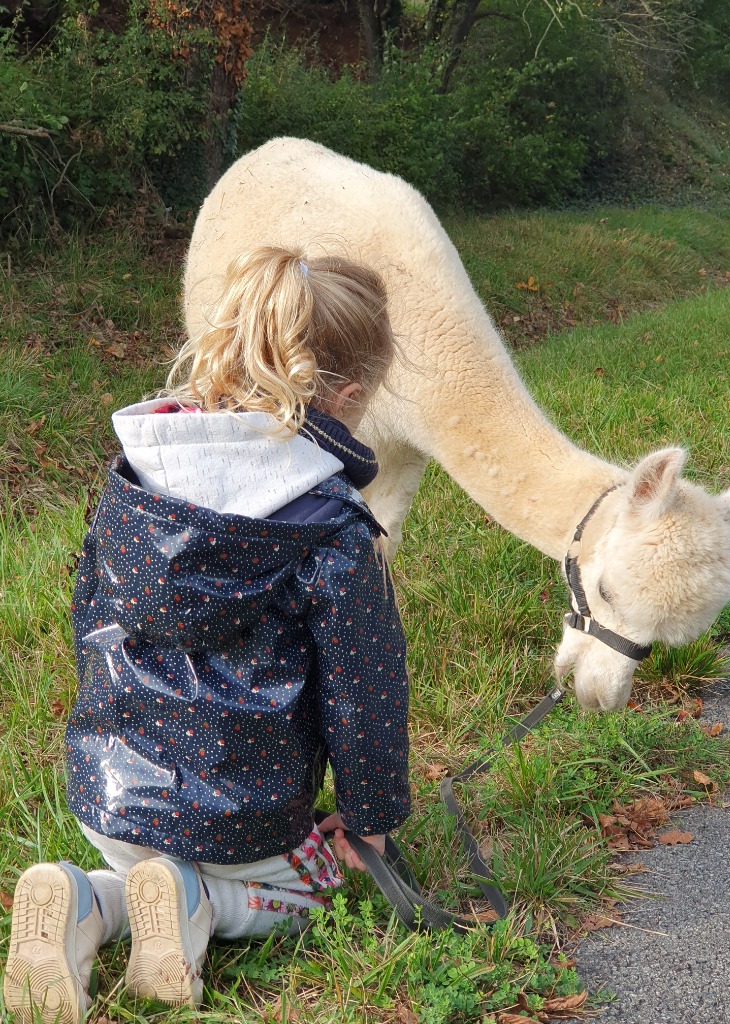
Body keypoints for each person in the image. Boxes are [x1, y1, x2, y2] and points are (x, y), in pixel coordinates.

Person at [3, 247, 411, 1024]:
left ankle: (89, 898)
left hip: (112, 798)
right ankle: (203, 902)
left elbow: (91, 623)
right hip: (247, 821)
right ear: (348, 397)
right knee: (317, 888)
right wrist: (371, 818)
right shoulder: (331, 527)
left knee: (143, 871)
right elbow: (365, 694)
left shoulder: (136, 478)